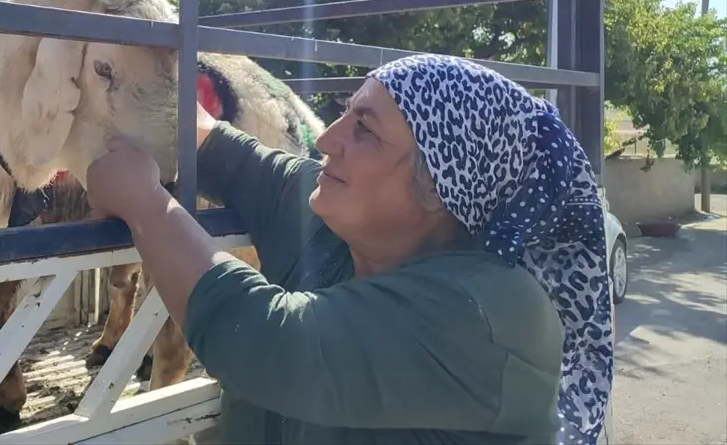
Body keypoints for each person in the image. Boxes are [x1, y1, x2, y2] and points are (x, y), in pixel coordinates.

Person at [84, 53, 613, 445]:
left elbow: (269, 342)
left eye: (365, 131)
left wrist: (144, 203)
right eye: (345, 113)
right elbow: (233, 156)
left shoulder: (490, 313)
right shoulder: (333, 227)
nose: (326, 139)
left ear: (438, 187)